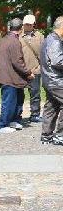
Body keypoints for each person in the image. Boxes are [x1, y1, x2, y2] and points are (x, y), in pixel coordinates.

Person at [0, 18, 33, 133]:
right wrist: (28, 73)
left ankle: (14, 120)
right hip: (8, 76)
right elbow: (17, 61)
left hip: (11, 75)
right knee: (9, 101)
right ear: (21, 28)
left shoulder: (5, 39)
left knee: (18, 98)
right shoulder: (14, 41)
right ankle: (2, 125)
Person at [39, 17, 63, 145]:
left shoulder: (49, 39)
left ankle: (46, 136)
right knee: (52, 107)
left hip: (49, 79)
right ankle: (60, 135)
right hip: (56, 80)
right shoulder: (55, 41)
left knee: (52, 107)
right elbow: (57, 61)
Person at [20, 15, 44, 123]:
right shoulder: (18, 36)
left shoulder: (39, 36)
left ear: (33, 24)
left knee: (35, 93)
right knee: (19, 94)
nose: (28, 26)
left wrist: (40, 66)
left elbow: (43, 52)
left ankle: (35, 114)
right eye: (26, 24)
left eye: (30, 24)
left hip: (35, 69)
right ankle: (17, 115)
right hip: (21, 70)